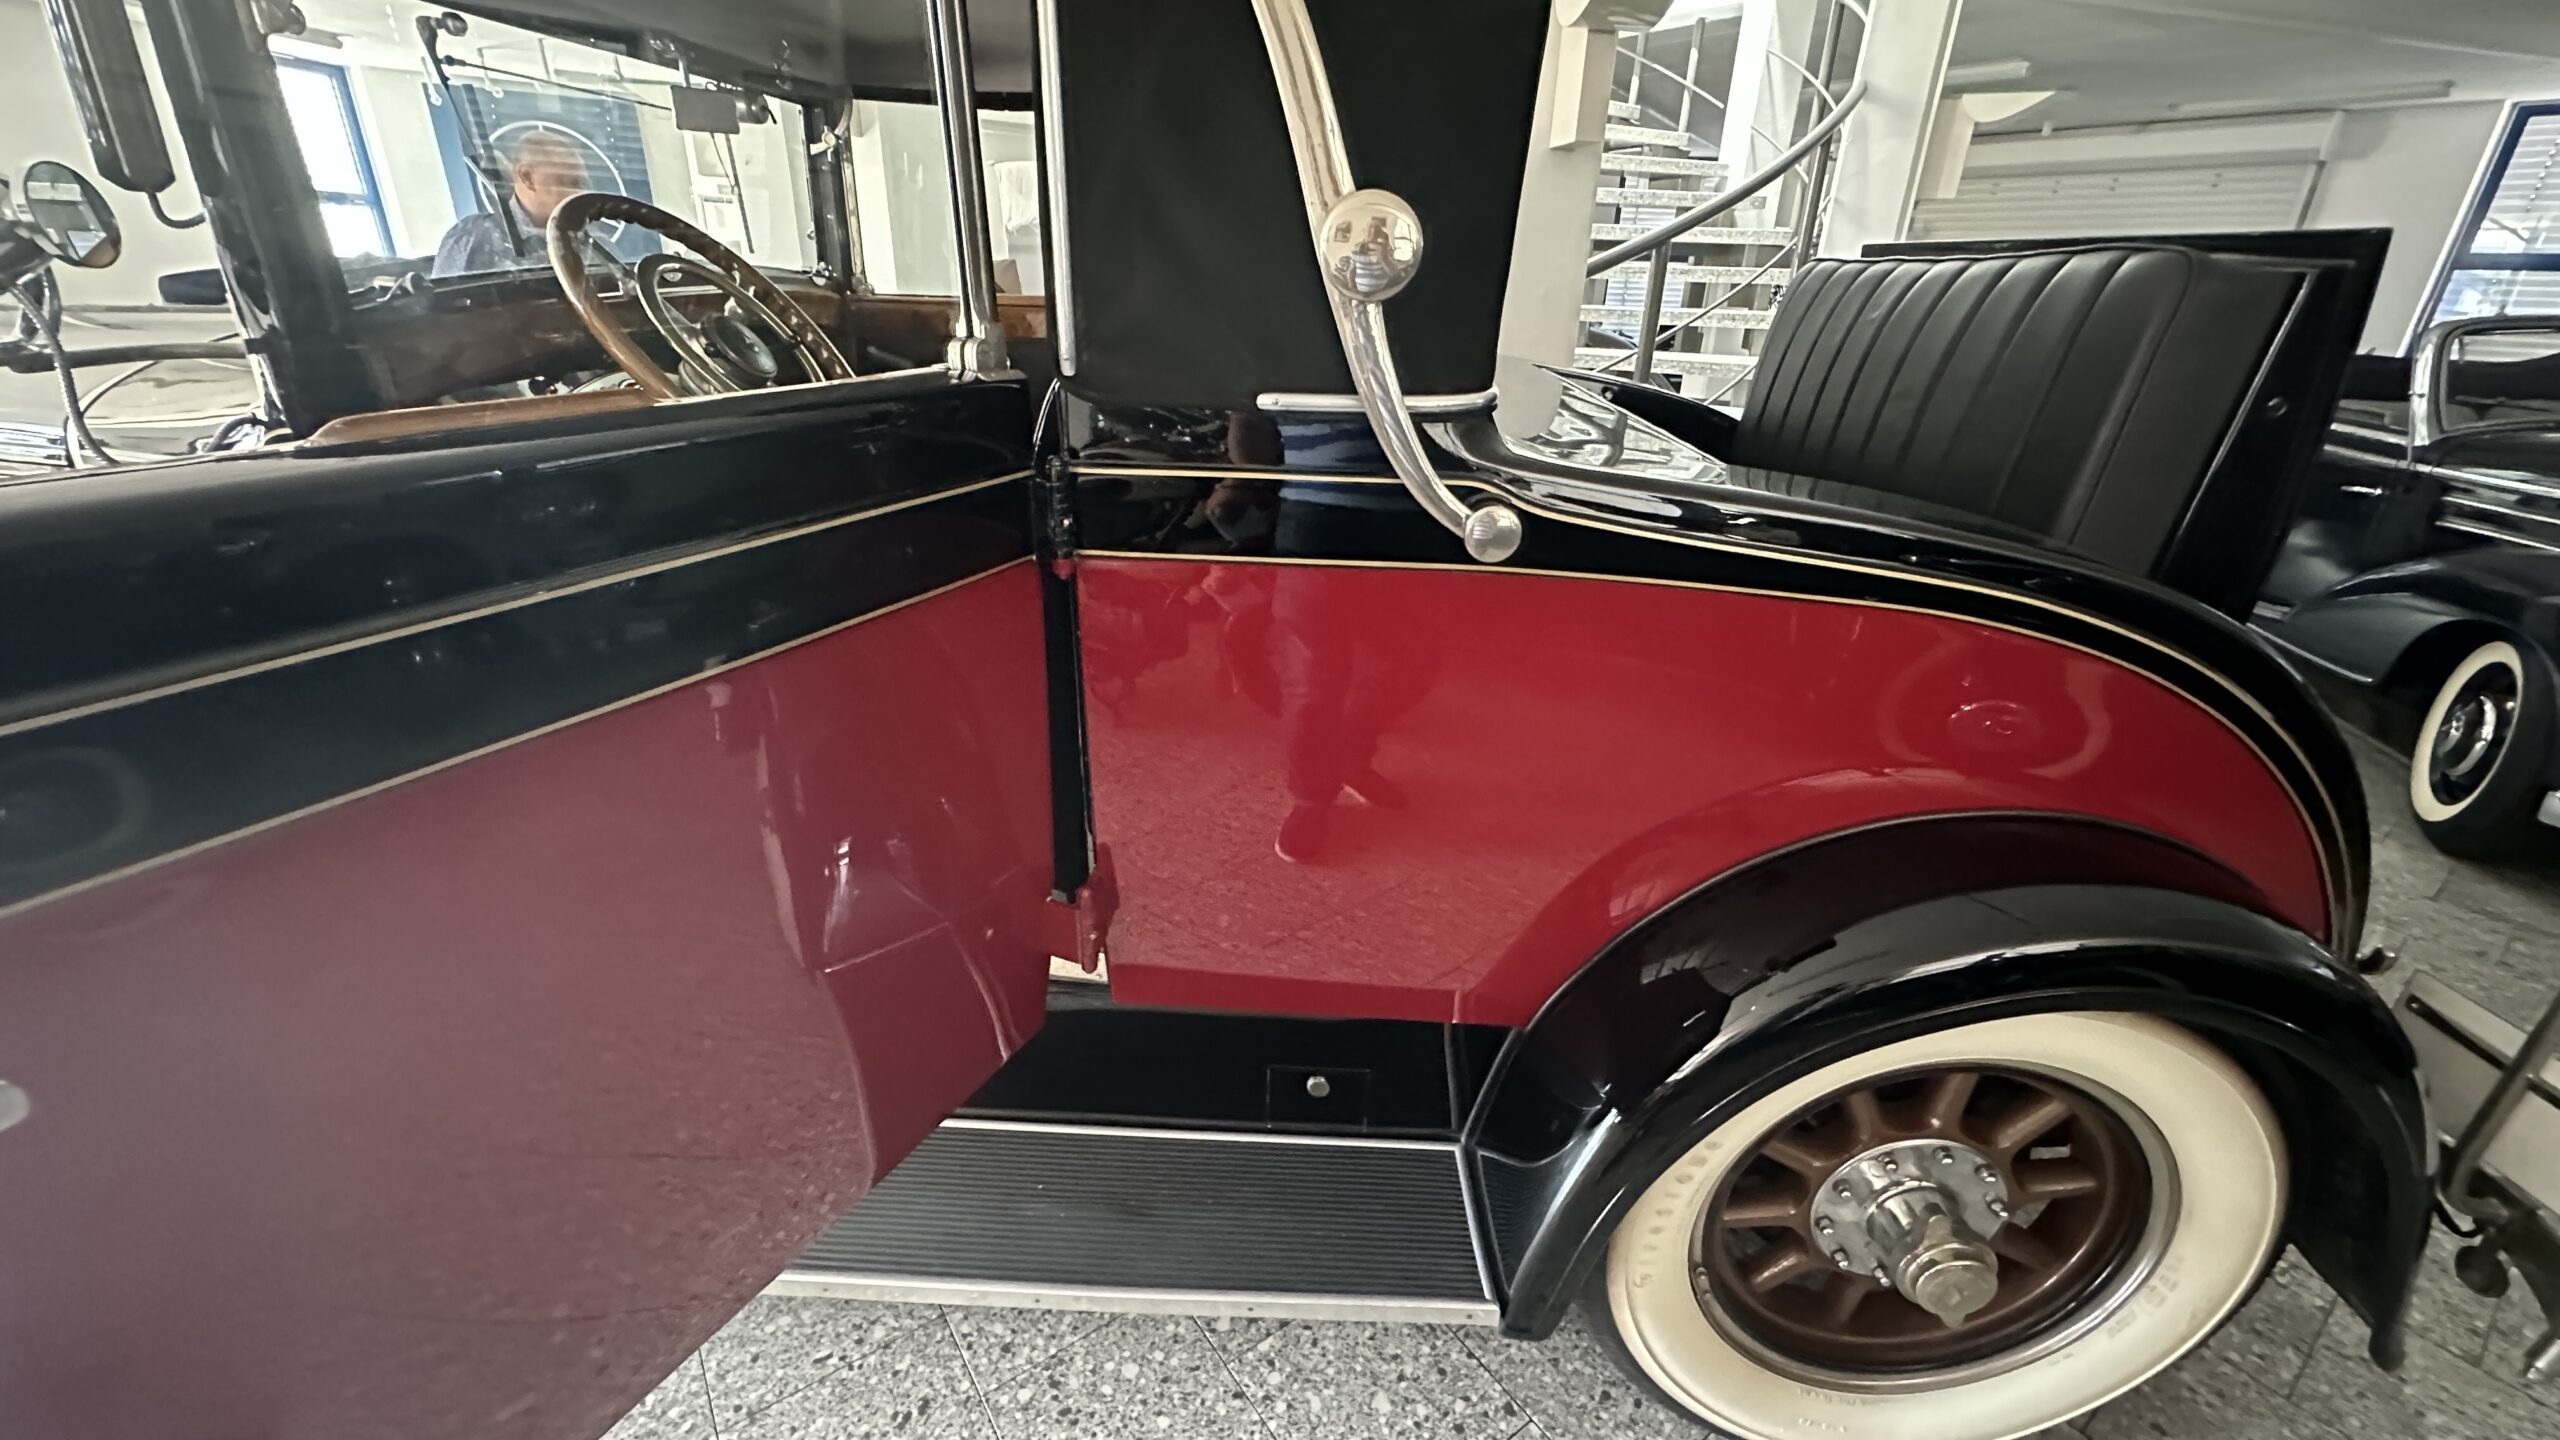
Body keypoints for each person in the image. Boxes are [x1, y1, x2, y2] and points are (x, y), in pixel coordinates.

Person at [431, 130, 591, 278]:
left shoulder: (594, 244)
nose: (580, 193)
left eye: (582, 184)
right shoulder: (473, 239)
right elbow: (448, 298)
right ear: (527, 177)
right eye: (571, 183)